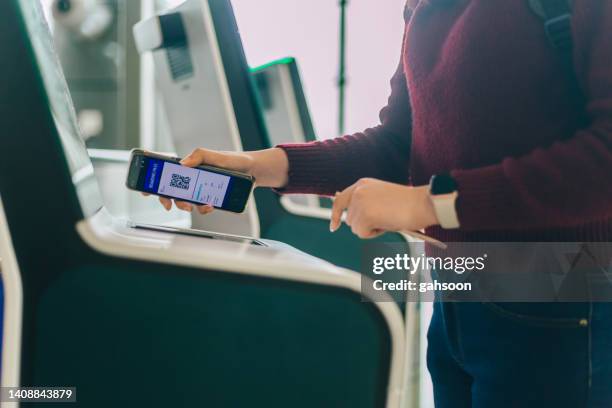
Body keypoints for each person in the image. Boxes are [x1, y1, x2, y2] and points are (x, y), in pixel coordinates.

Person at [149, 0, 612, 406]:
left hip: (561, 300)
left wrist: (427, 205)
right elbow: (398, 144)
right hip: (460, 295)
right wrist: (257, 167)